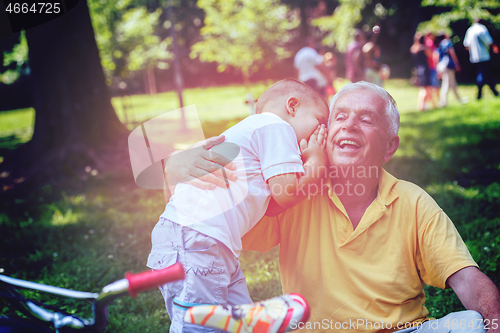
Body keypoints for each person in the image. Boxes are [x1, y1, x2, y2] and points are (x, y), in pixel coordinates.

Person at [164, 81, 500, 333]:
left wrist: (495, 322)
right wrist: (175, 172)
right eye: (339, 116)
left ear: (389, 146)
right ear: (325, 133)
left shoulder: (413, 201)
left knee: (471, 324)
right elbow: (202, 223)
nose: (349, 125)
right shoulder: (291, 191)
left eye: (366, 119)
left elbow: (468, 279)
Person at [148, 79, 329, 332]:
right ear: (292, 106)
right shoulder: (276, 126)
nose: (321, 132)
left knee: (242, 321)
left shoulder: (258, 138)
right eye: (320, 122)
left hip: (207, 243)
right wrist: (316, 164)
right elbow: (287, 193)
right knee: (200, 324)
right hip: (198, 241)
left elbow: (274, 205)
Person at [463, 18, 499, 100]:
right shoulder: (482, 28)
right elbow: (488, 41)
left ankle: (494, 92)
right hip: (483, 55)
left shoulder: (470, 30)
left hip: (474, 56)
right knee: (482, 73)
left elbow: (466, 45)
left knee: (486, 73)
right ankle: (479, 94)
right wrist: (494, 47)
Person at [436, 34, 467, 107]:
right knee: (446, 83)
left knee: (452, 83)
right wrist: (457, 63)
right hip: (448, 66)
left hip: (442, 65)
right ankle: (443, 102)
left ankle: (459, 99)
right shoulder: (447, 42)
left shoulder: (440, 44)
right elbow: (452, 53)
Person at [411, 32, 437, 111]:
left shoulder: (413, 48)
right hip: (425, 69)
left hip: (418, 69)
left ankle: (432, 105)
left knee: (425, 88)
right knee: (425, 89)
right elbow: (431, 55)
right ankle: (421, 106)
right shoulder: (424, 48)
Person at [424, 32, 441, 105]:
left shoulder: (426, 42)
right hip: (432, 67)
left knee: (432, 86)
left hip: (430, 67)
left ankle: (434, 103)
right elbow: (432, 54)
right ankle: (438, 101)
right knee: (435, 86)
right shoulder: (429, 42)